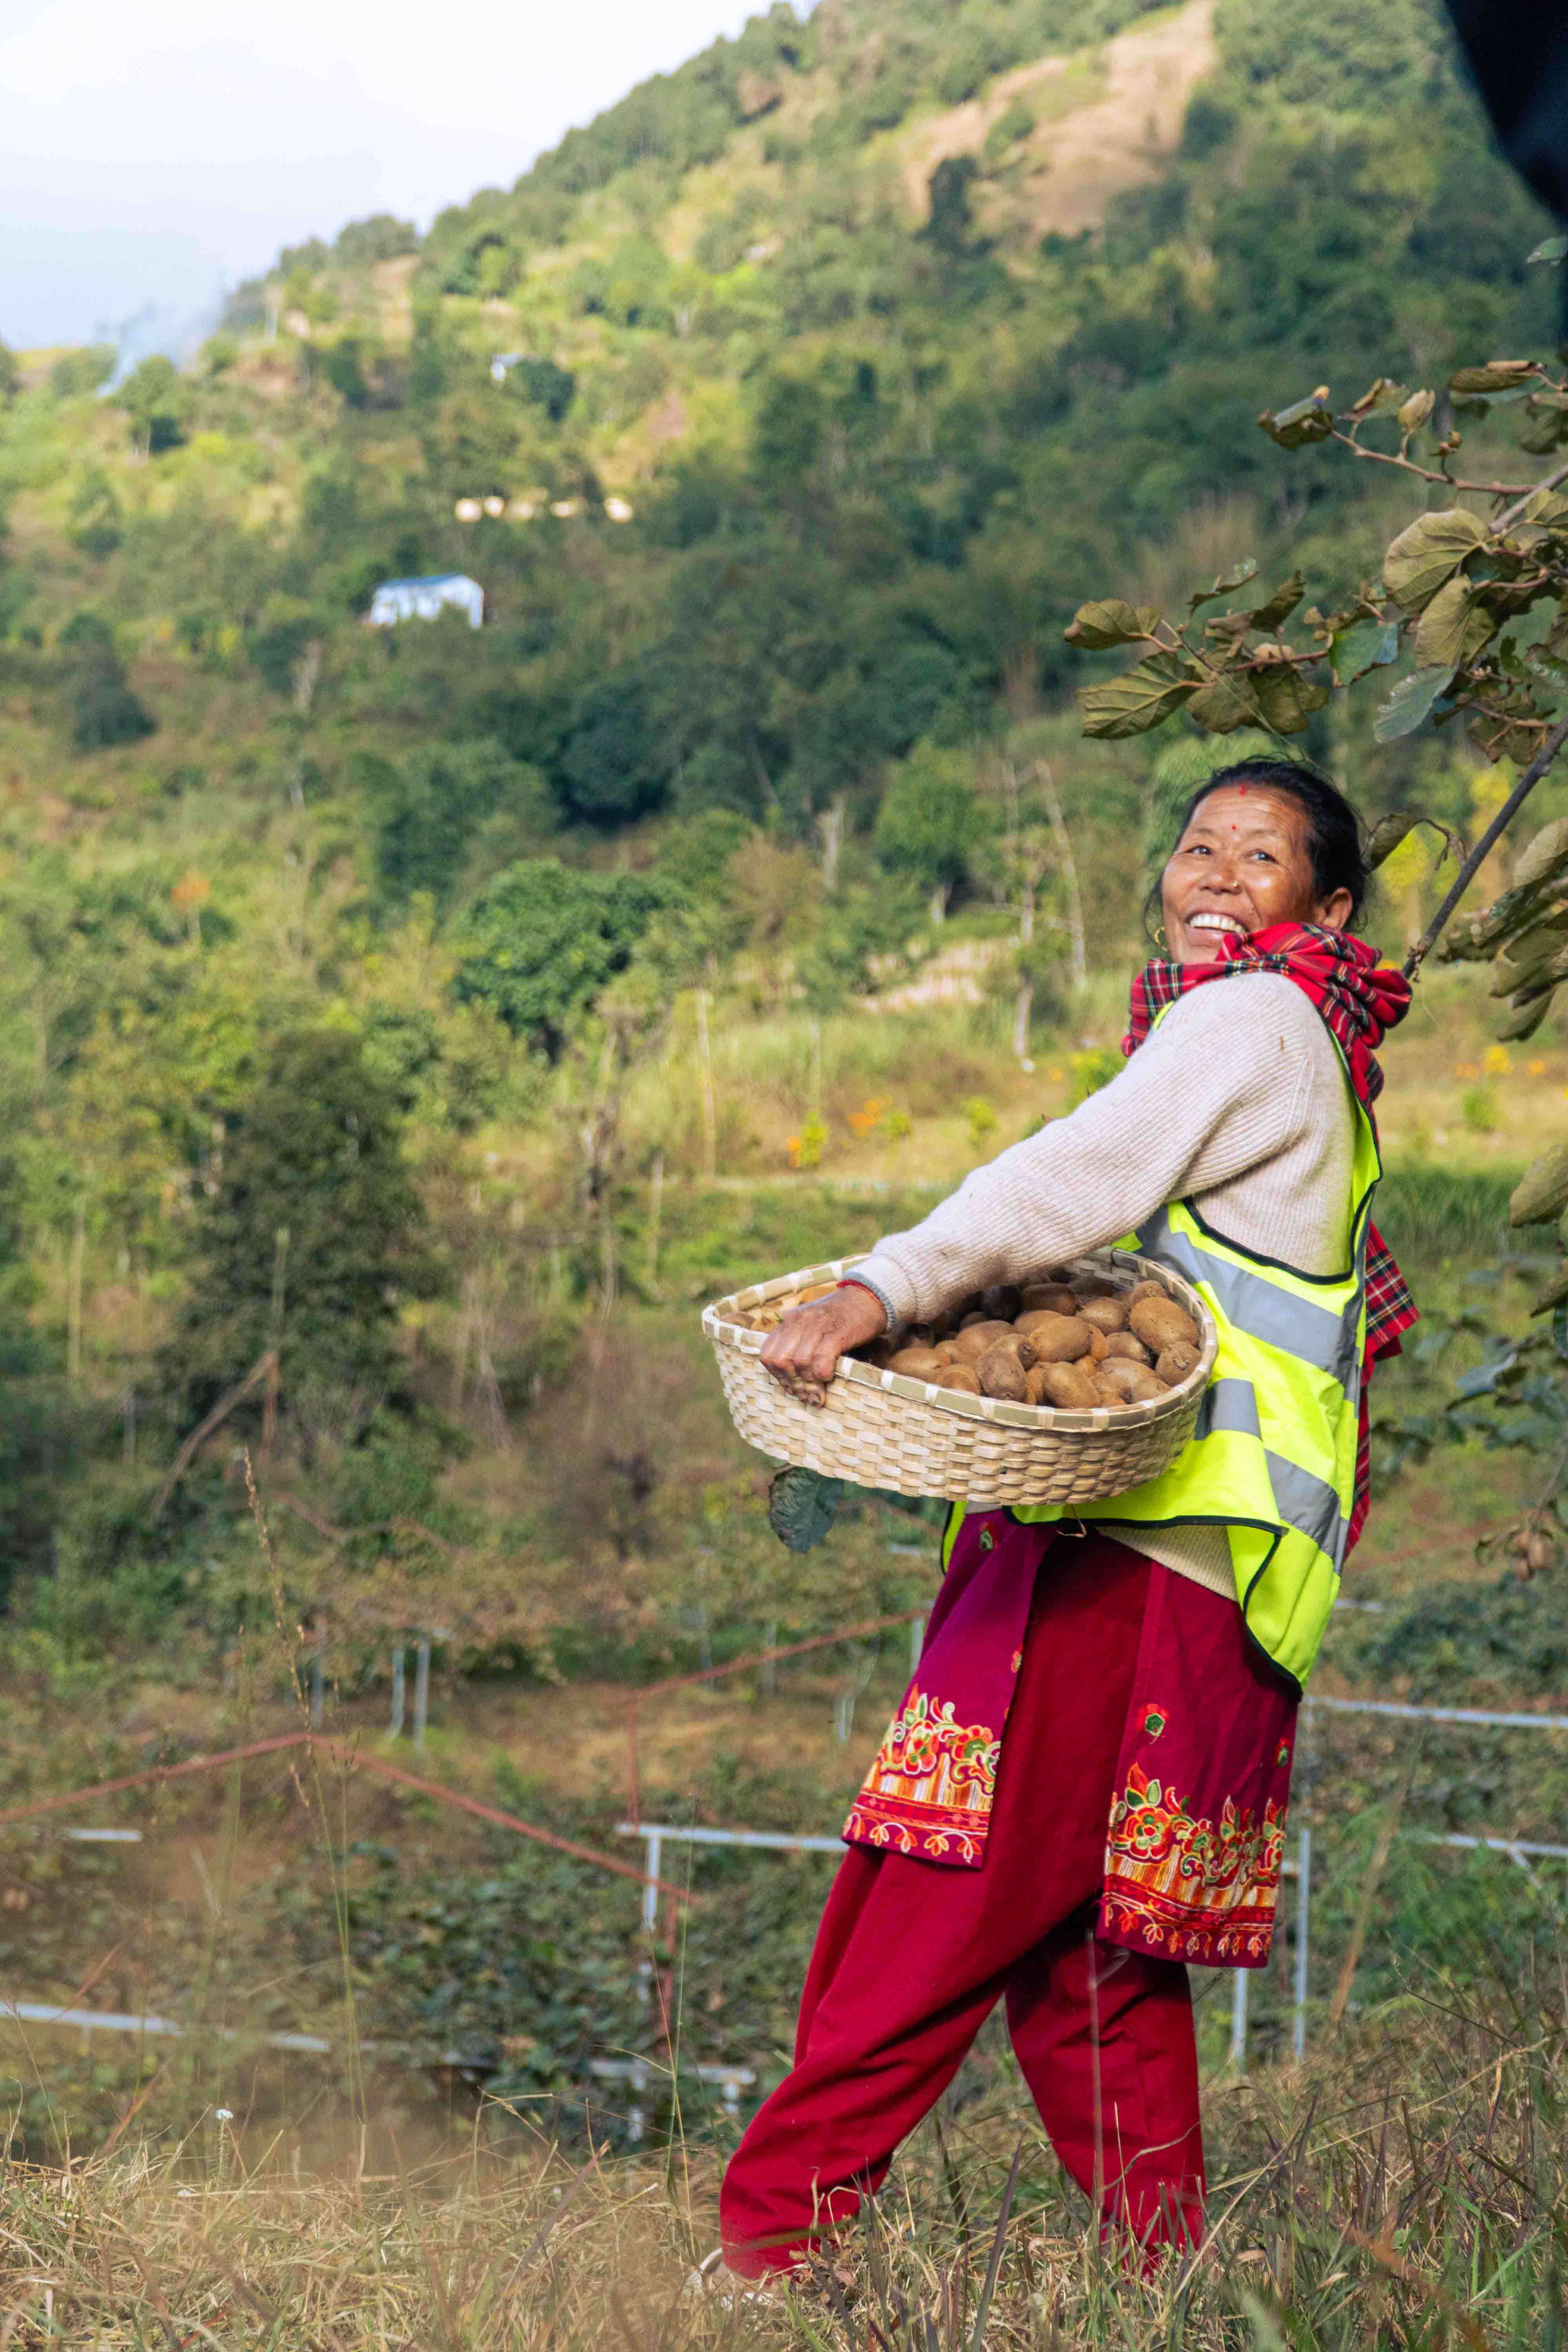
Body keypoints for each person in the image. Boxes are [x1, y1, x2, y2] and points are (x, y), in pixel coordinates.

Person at [702, 756, 1416, 2296]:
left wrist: (876, 1289)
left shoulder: (1251, 1021)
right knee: (1098, 1963)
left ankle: (766, 2257)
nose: (1218, 876)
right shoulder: (1310, 1052)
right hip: (1214, 1586)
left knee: (934, 1906)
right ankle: (1173, 2292)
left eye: (1262, 856)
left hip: (1141, 1570)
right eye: (1196, 846)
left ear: (1327, 907)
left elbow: (1065, 1180)